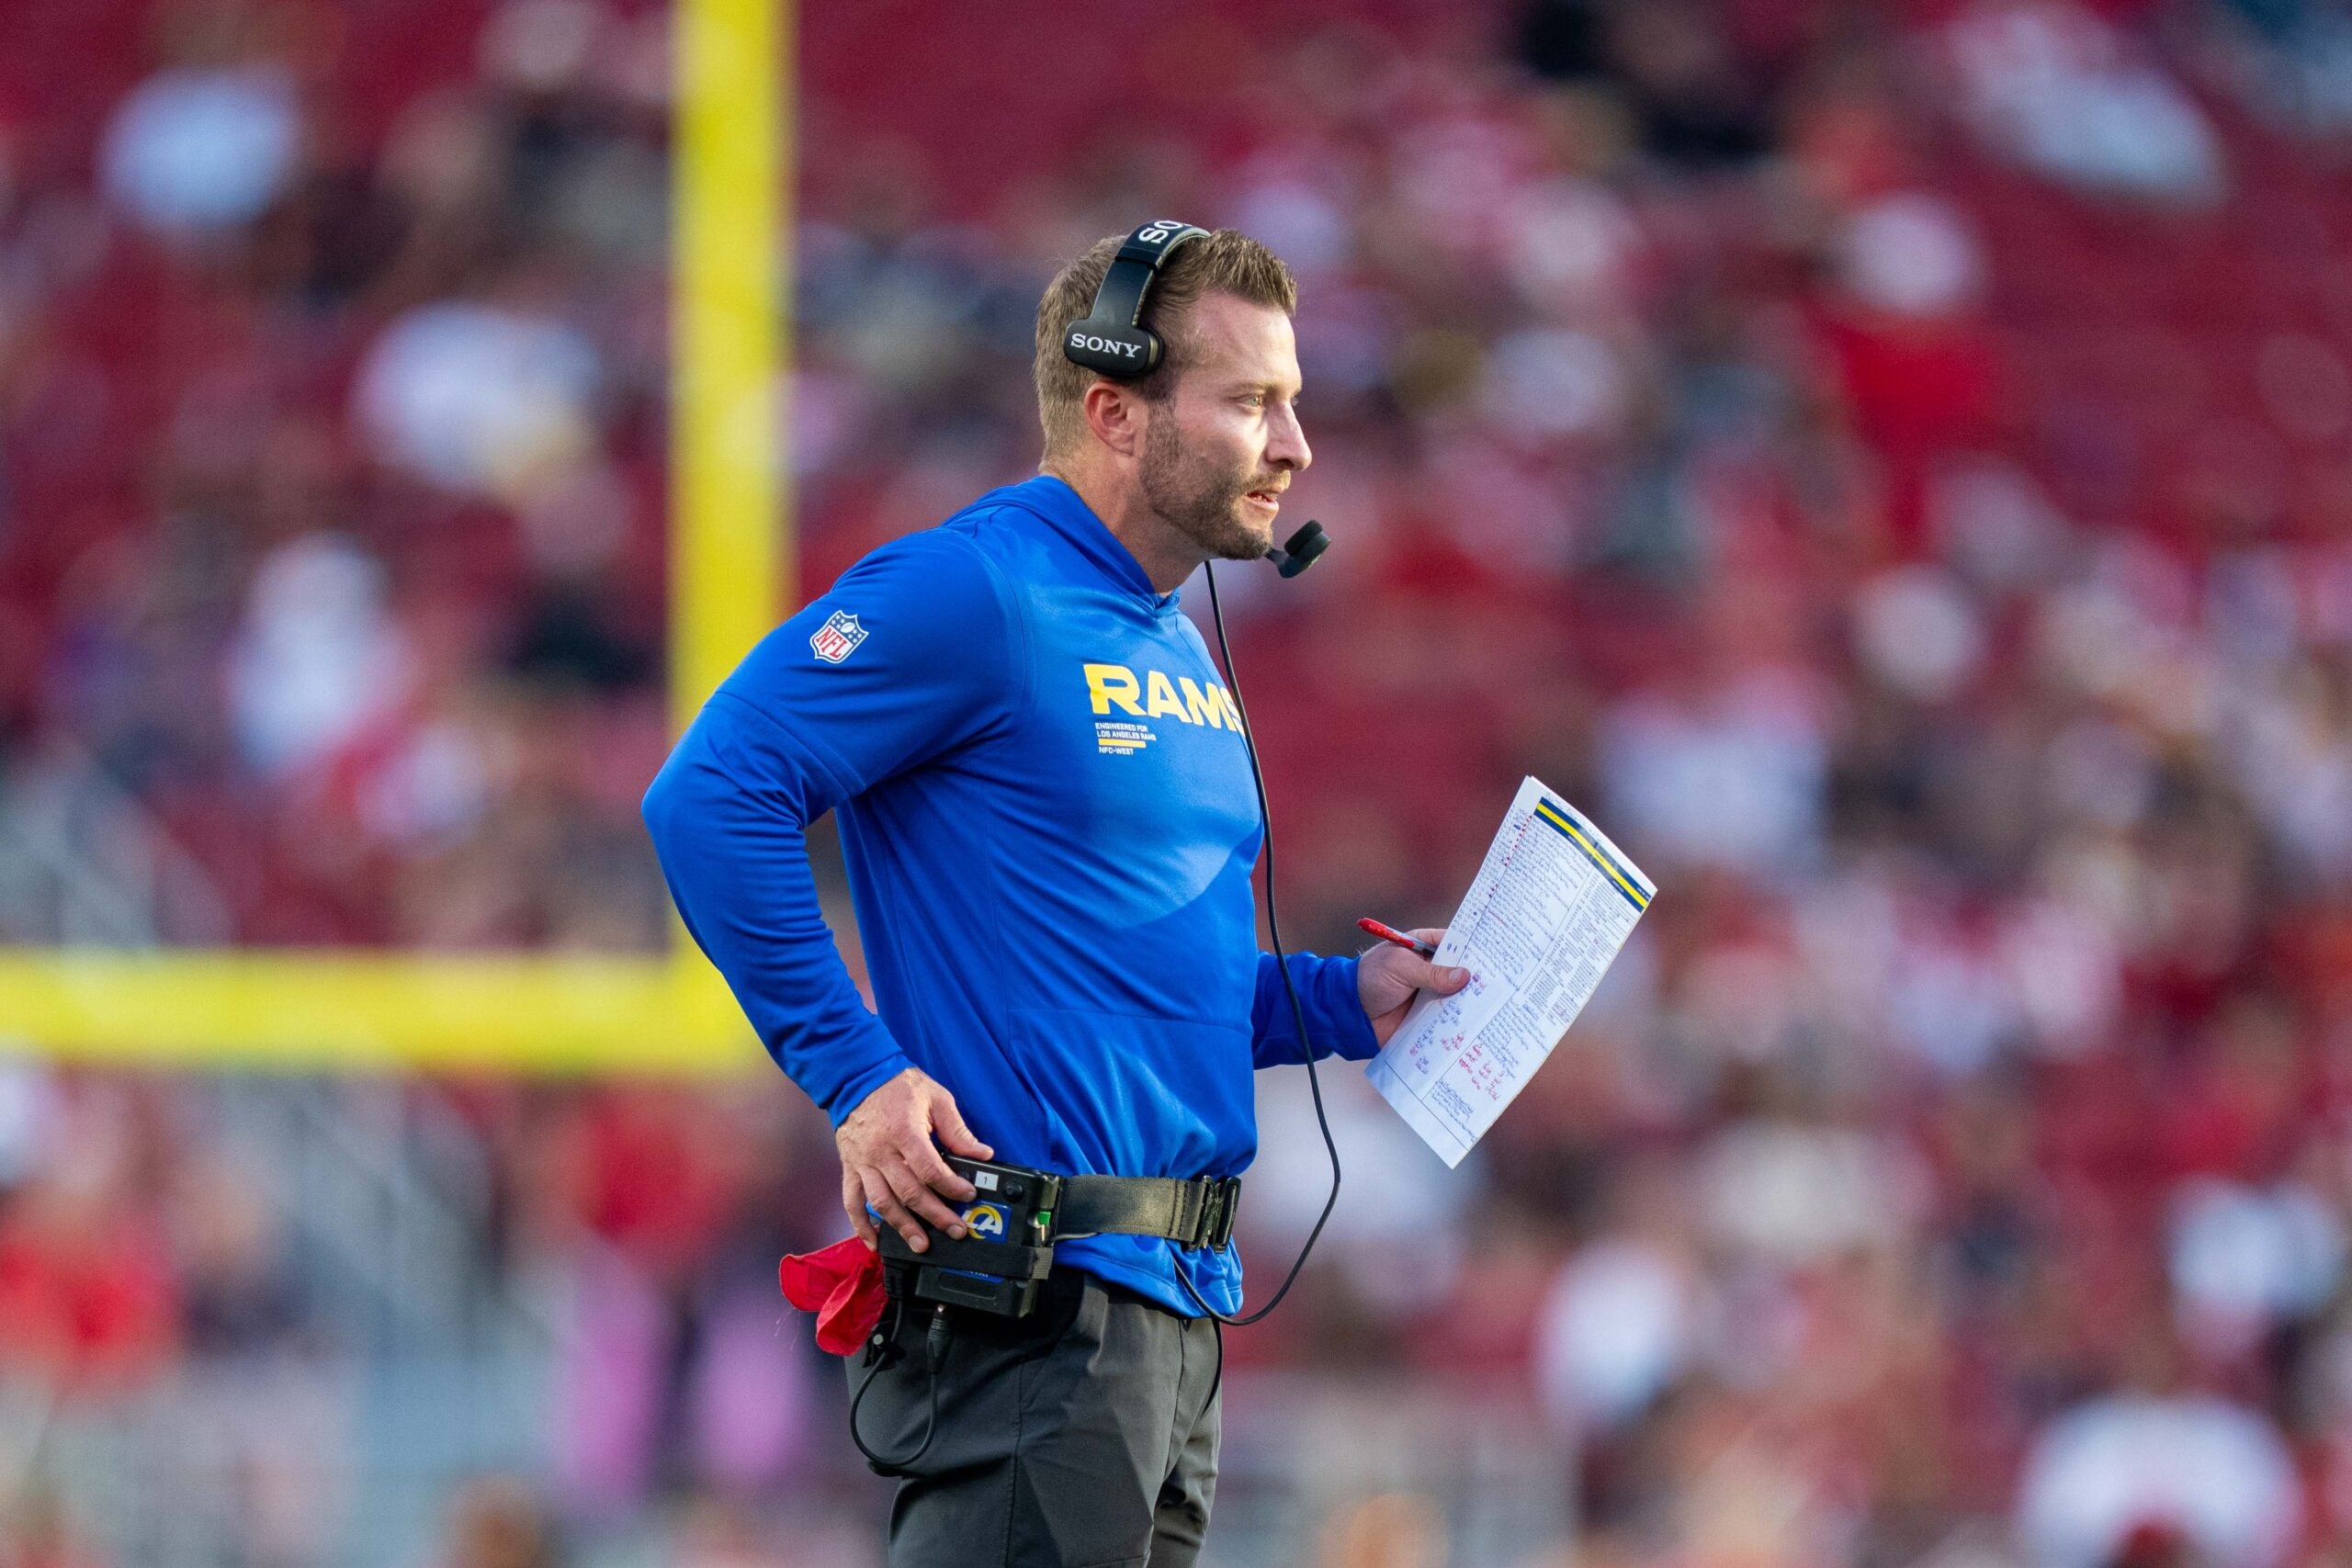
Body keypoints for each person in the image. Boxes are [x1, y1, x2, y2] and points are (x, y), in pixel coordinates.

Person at [640, 227, 1468, 1567]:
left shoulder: (1175, 640)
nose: (1297, 443)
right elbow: (708, 795)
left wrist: (1338, 1000)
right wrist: (858, 1078)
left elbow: (1139, 984)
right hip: (1037, 1313)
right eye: (1253, 399)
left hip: (1169, 1315)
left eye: (1294, 400)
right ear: (1113, 410)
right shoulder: (971, 587)